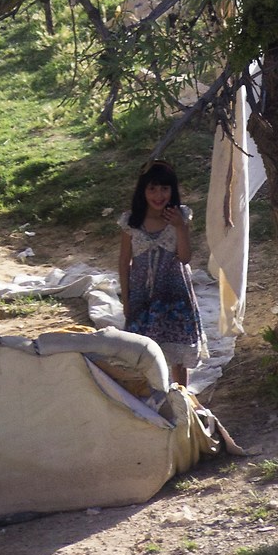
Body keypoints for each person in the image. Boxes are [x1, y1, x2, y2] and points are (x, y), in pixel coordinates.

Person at [118, 162, 203, 387]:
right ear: (143, 191)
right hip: (142, 297)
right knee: (142, 349)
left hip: (174, 295)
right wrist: (126, 300)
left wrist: (179, 227)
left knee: (178, 354)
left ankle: (181, 397)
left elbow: (185, 257)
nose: (159, 195)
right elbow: (123, 263)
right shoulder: (131, 222)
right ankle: (150, 397)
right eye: (152, 189)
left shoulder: (181, 217)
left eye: (165, 189)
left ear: (172, 191)